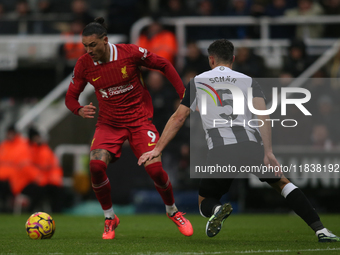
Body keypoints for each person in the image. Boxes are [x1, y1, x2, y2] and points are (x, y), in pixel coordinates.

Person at [138, 39, 340, 242]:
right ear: (233, 59)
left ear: (211, 60)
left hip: (220, 151)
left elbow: (178, 118)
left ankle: (217, 209)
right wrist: (268, 152)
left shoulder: (198, 81)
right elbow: (263, 116)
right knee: (283, 184)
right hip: (251, 146)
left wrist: (157, 149)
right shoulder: (248, 80)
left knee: (204, 202)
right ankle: (320, 229)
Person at [65, 17, 193, 240]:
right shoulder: (84, 64)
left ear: (105, 41)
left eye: (93, 45)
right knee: (95, 165)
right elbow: (70, 98)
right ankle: (109, 217)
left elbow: (164, 64)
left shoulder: (130, 53)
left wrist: (183, 93)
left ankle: (173, 211)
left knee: (154, 169)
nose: (89, 50)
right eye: (85, 46)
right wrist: (78, 110)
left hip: (139, 120)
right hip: (108, 123)